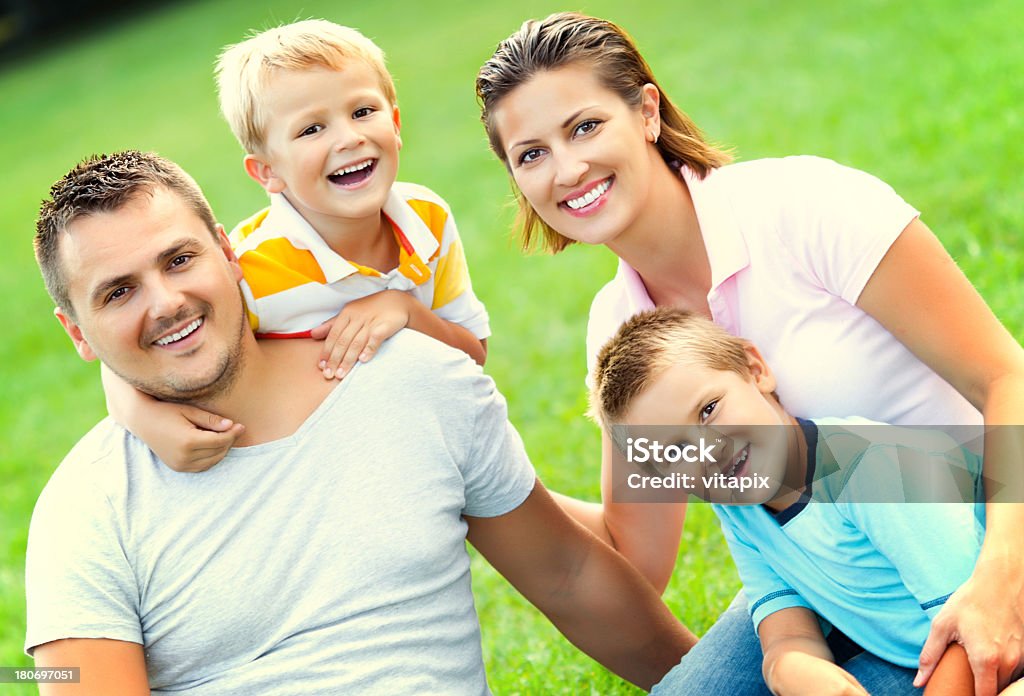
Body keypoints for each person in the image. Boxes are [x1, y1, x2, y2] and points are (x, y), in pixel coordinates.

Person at [474, 11, 1024, 695]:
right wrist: (480, 477)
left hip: (976, 533)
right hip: (821, 573)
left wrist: (1003, 573)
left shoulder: (804, 206)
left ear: (646, 111)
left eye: (585, 126)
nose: (568, 167)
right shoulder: (618, 331)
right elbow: (636, 556)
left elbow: (1008, 377)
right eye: (531, 154)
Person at [24, 151, 695, 694]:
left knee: (777, 642)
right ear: (77, 334)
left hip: (771, 469)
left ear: (229, 253)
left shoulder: (415, 380)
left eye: (179, 260)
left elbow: (570, 576)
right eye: (118, 292)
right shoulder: (86, 507)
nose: (167, 302)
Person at [107, 19, 490, 471]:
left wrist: (404, 309)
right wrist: (144, 419)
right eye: (311, 130)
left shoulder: (428, 218)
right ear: (267, 171)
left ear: (396, 121)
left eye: (363, 111)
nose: (349, 138)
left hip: (426, 438)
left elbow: (473, 356)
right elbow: (126, 357)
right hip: (306, 468)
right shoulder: (247, 268)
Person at [591, 307, 990, 695]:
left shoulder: (868, 469)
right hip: (910, 655)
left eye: (709, 410)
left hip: (984, 642)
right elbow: (786, 624)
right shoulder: (738, 508)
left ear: (756, 370)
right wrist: (789, 664)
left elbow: (975, 625)